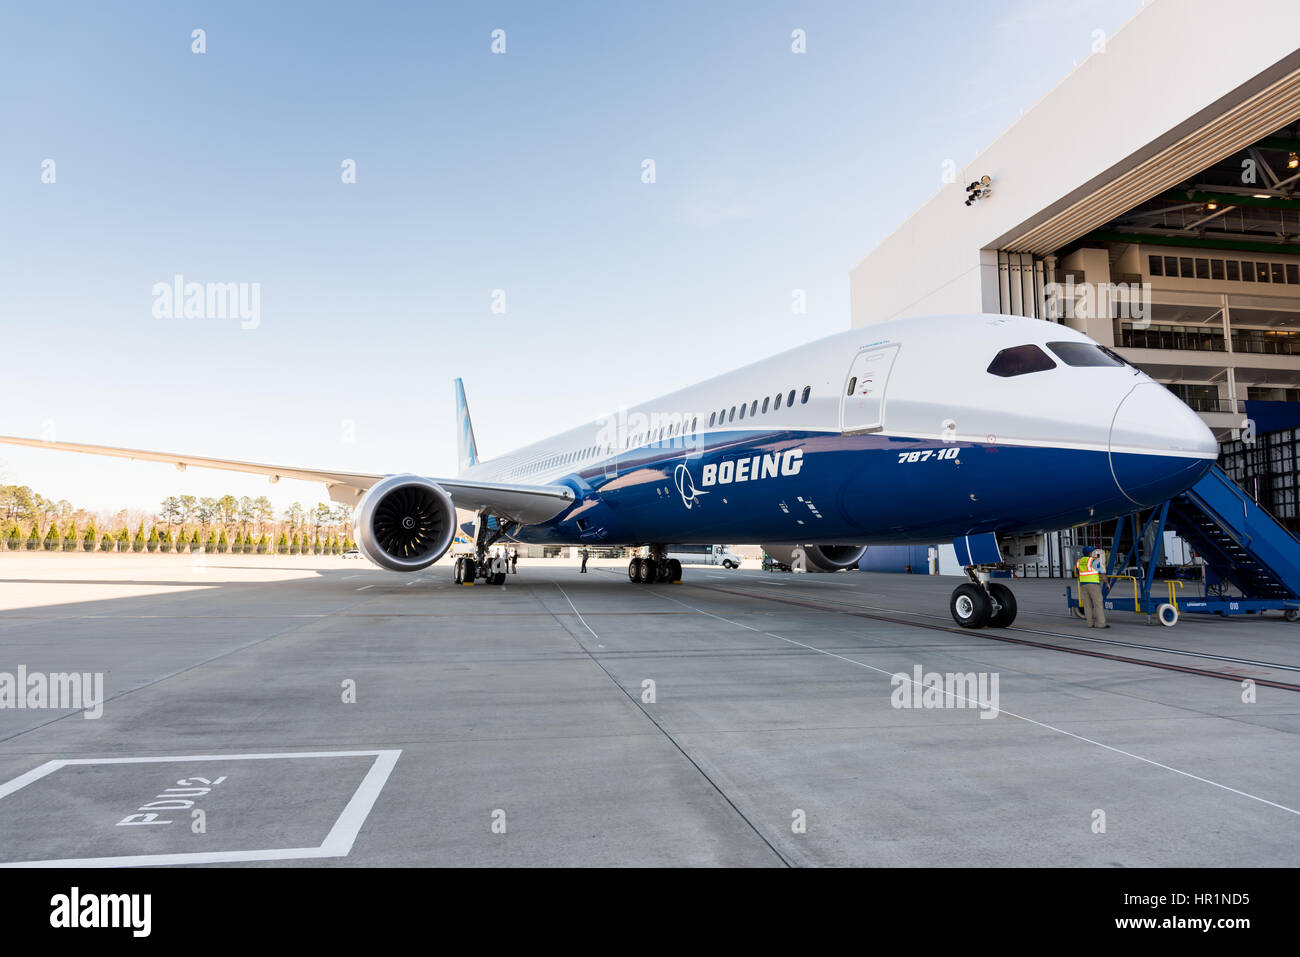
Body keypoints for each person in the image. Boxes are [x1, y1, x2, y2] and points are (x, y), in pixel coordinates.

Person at [1076, 548, 1109, 628]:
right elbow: (1102, 573)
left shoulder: (1079, 561)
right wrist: (1107, 583)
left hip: (1083, 584)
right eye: (1093, 551)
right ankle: (1101, 624)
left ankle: (1090, 623)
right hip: (1093, 585)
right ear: (1090, 553)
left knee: (1087, 605)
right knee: (1098, 604)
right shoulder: (1093, 561)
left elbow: (1077, 574)